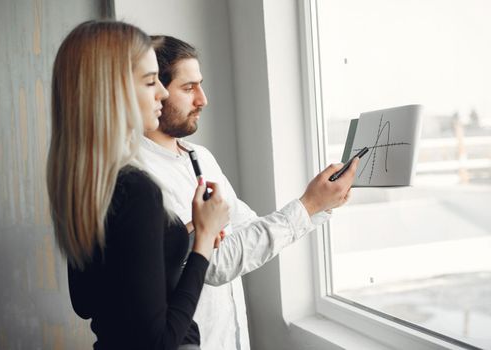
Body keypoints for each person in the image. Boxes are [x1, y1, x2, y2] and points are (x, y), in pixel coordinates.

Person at [140, 35, 358, 350]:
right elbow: (213, 265)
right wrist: (308, 205)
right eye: (188, 89)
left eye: (200, 85)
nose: (203, 99)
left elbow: (247, 230)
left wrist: (317, 205)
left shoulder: (200, 156)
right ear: (155, 92)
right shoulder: (139, 177)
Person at [46, 21, 229, 350]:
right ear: (112, 94)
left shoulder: (84, 184)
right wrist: (203, 239)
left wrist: (181, 234)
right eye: (150, 82)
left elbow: (87, 300)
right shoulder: (136, 190)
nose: (161, 92)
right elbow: (159, 342)